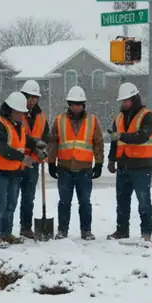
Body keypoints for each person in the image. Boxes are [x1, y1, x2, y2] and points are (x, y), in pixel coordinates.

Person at [0, 91, 46, 246]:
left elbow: (25, 139)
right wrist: (23, 158)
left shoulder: (18, 124)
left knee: (11, 202)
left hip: (13, 170)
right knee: (0, 202)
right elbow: (2, 148)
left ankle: (6, 233)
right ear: (9, 110)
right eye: (18, 112)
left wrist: (36, 145)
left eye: (22, 113)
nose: (21, 115)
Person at [46, 85, 103, 240]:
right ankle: (62, 230)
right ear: (69, 104)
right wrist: (51, 162)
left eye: (78, 104)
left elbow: (98, 143)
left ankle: (86, 231)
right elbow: (53, 143)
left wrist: (99, 164)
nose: (76, 107)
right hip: (65, 169)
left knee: (85, 202)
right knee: (64, 202)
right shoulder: (59, 120)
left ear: (83, 105)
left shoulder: (92, 121)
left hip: (84, 169)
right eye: (73, 104)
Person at [106, 82, 152, 240]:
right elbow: (115, 141)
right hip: (123, 165)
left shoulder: (148, 116)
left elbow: (141, 137)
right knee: (122, 201)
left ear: (135, 99)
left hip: (141, 167)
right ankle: (122, 230)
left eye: (127, 100)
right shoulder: (119, 117)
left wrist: (121, 136)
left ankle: (146, 233)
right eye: (123, 101)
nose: (124, 104)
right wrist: (111, 159)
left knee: (143, 201)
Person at [16, 80, 49, 239]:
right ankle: (5, 228)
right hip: (17, 160)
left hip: (33, 163)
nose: (33, 100)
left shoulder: (41, 117)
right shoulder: (15, 113)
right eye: (30, 97)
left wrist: (43, 150)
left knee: (28, 197)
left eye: (35, 97)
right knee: (11, 196)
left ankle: (26, 227)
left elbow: (46, 136)